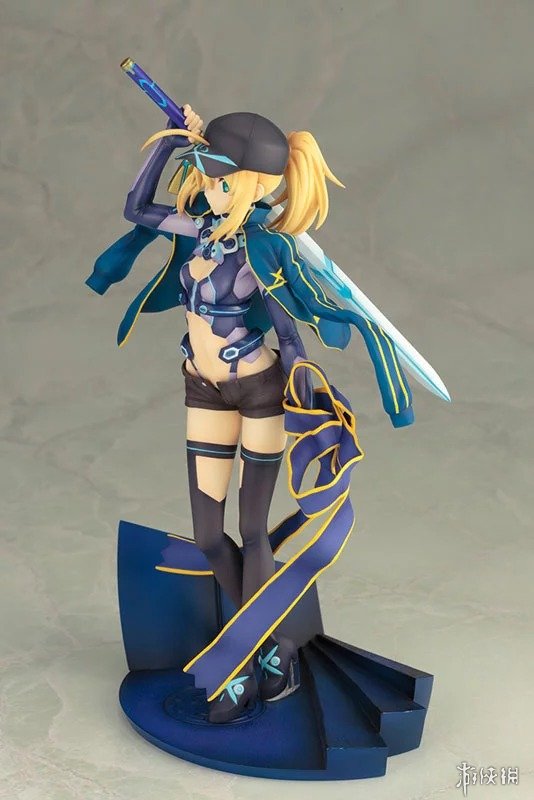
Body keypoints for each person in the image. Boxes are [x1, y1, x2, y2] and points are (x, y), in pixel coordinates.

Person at [87, 105, 414, 723]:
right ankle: (272, 646)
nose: (208, 186)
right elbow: (137, 209)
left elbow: (289, 332)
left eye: (219, 177)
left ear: (253, 185)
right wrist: (174, 141)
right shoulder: (198, 229)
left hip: (258, 390)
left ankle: (242, 669)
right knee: (211, 536)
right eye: (205, 173)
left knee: (255, 530)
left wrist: (308, 389)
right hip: (203, 389)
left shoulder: (265, 248)